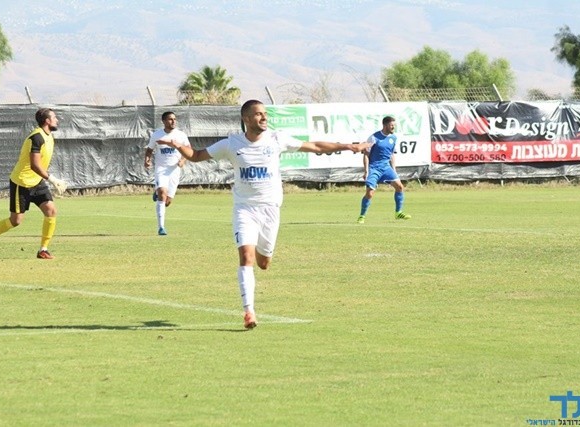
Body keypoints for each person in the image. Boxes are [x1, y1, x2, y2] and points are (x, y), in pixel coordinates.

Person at [158, 99, 371, 329]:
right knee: (246, 257)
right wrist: (177, 145)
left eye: (265, 114)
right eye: (258, 114)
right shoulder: (231, 143)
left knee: (264, 263)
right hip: (244, 209)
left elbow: (316, 146)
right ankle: (249, 311)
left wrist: (348, 146)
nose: (264, 118)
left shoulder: (277, 139)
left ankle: (261, 265)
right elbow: (197, 155)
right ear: (246, 119)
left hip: (270, 209)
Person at [0, 108, 67, 260]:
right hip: (22, 182)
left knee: (51, 211)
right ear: (47, 121)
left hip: (37, 182)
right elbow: (35, 165)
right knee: (16, 221)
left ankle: (43, 250)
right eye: (54, 117)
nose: (57, 120)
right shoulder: (36, 137)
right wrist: (53, 179)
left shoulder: (49, 136)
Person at [356, 116, 411, 224]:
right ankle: (362, 216)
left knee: (399, 187)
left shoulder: (393, 138)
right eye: (391, 125)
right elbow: (366, 155)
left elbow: (391, 154)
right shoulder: (374, 137)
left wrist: (394, 170)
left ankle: (398, 212)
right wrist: (366, 171)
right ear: (385, 125)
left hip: (386, 168)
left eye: (394, 125)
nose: (393, 127)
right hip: (374, 168)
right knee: (370, 193)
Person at [144, 111, 189, 236]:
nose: (173, 121)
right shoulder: (157, 135)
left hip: (174, 170)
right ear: (163, 121)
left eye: (174, 119)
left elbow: (188, 149)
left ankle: (157, 193)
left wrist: (183, 160)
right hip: (161, 169)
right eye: (170, 119)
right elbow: (149, 150)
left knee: (167, 201)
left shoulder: (181, 135)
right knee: (162, 194)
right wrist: (147, 160)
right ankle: (161, 227)